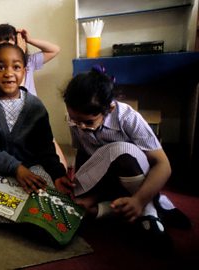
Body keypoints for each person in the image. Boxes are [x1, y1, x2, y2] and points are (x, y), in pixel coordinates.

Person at [61, 66, 191, 249]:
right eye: (76, 120)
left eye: (88, 122)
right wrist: (82, 189)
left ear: (110, 108)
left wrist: (139, 200)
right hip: (108, 180)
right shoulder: (75, 119)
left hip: (133, 173)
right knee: (81, 207)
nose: (81, 126)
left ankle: (148, 209)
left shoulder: (128, 118)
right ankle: (128, 208)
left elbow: (163, 165)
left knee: (120, 150)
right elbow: (83, 153)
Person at [0, 43, 72, 223]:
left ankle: (26, 215)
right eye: (0, 67)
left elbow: (45, 146)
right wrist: (16, 168)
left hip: (32, 169)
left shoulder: (35, 106)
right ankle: (27, 218)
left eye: (16, 67)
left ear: (25, 71)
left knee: (49, 194)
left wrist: (58, 174)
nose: (8, 73)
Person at [0, 23, 67, 169]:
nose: (2, 49)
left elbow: (55, 49)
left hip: (34, 117)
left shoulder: (28, 62)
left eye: (7, 43)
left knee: (61, 165)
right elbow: (16, 91)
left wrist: (29, 40)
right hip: (11, 121)